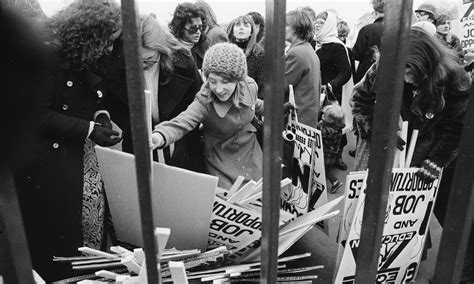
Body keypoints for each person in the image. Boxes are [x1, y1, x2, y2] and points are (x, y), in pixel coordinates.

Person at [17, 0, 123, 281]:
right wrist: (89, 129)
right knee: (55, 243)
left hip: (75, 162)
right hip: (46, 168)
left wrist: (101, 117)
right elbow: (36, 115)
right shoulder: (46, 58)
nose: (110, 48)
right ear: (90, 34)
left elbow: (89, 97)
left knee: (82, 236)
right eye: (107, 41)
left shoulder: (81, 57)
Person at [151, 43, 264, 189]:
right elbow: (184, 120)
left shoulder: (250, 86)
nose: (218, 89)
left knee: (256, 198)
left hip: (250, 154)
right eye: (212, 81)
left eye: (225, 81)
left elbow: (255, 104)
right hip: (220, 160)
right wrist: (160, 135)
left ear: (238, 79)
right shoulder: (204, 100)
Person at [314, 11, 353, 170]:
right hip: (317, 93)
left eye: (322, 22)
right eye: (316, 21)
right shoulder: (315, 43)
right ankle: (321, 158)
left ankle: (337, 157)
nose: (317, 24)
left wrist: (330, 85)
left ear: (329, 25)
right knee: (322, 127)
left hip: (331, 95)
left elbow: (346, 71)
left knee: (336, 128)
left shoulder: (336, 46)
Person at [284, 9, 321, 128]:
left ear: (296, 28)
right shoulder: (307, 49)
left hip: (296, 120)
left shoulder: (296, 53)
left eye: (286, 24)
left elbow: (281, 86)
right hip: (307, 119)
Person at [227, 15, 265, 99]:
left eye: (246, 25)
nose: (241, 28)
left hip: (251, 102)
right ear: (233, 30)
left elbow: (262, 88)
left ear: (251, 31)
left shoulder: (259, 54)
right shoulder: (226, 52)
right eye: (237, 25)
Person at [352, 0, 385, 84]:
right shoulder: (397, 31)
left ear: (375, 13)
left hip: (367, 77)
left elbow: (357, 55)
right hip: (388, 78)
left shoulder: (366, 29)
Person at [169, 2, 207, 69]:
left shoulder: (204, 46)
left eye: (201, 27)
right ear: (181, 28)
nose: (198, 32)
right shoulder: (170, 49)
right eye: (193, 28)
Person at [318, 104, 346, 193]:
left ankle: (335, 182)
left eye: (325, 115)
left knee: (324, 170)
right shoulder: (337, 128)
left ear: (331, 120)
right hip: (332, 154)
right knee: (326, 169)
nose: (322, 115)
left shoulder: (328, 131)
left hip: (326, 154)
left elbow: (319, 131)